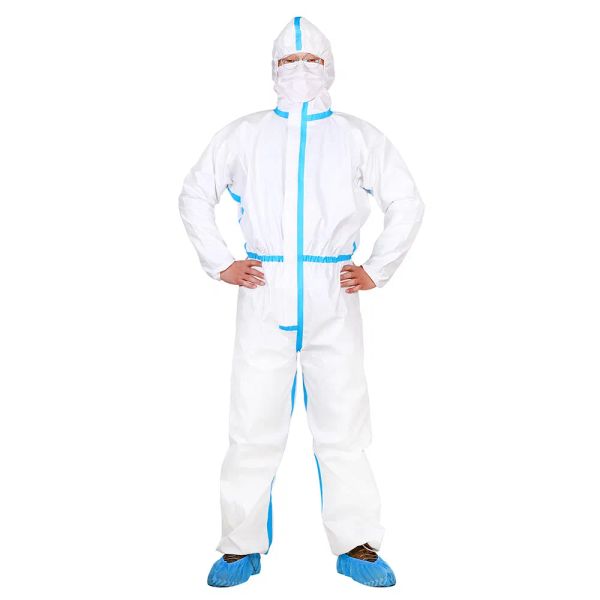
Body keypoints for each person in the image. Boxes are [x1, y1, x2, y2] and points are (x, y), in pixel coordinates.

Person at [179, 16, 424, 588]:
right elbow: (194, 193)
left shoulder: (357, 136)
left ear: (329, 67)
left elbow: (406, 201)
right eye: (289, 61)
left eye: (310, 59)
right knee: (252, 422)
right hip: (264, 290)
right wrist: (220, 262)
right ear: (272, 70)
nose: (300, 69)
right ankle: (240, 546)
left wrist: (376, 269)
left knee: (344, 423)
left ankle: (357, 544)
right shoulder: (244, 134)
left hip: (331, 291)